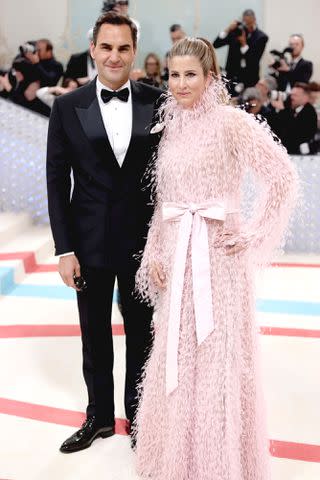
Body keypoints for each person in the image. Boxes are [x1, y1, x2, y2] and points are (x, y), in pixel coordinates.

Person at [133, 37, 297, 479]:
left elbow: (282, 178)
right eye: (174, 74)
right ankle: (177, 463)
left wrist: (254, 232)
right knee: (177, 361)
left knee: (216, 360)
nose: (181, 84)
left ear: (212, 78)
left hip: (219, 265)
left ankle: (217, 464)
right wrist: (154, 252)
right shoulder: (171, 126)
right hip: (178, 262)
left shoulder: (231, 123)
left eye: (191, 75)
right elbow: (164, 201)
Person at [46, 11, 162, 453]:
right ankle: (98, 417)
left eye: (124, 48)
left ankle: (140, 417)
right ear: (93, 49)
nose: (115, 56)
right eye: (107, 47)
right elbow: (57, 181)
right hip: (88, 243)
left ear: (134, 52)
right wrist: (64, 249)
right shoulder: (66, 106)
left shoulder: (159, 101)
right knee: (93, 334)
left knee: (143, 333)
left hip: (142, 244)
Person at [213, 9, 268, 92]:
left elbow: (254, 60)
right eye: (245, 22)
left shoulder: (261, 37)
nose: (247, 25)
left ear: (254, 20)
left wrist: (244, 44)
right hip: (232, 76)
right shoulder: (236, 32)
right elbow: (216, 44)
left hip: (249, 79)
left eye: (249, 22)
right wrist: (228, 29)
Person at [270, 82, 318, 154]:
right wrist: (276, 109)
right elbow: (276, 126)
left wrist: (282, 111)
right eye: (291, 95)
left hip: (299, 154)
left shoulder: (310, 112)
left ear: (305, 97)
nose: (292, 97)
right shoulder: (288, 107)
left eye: (295, 95)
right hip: (281, 150)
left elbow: (294, 133)